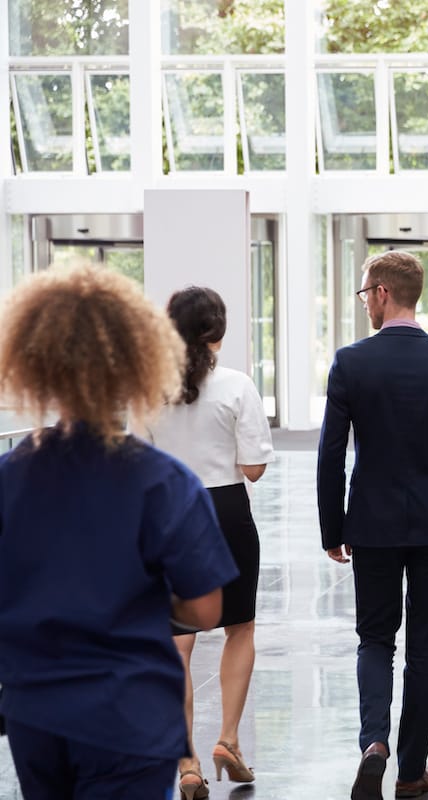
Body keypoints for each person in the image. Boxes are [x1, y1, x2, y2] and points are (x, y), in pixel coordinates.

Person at [0, 265, 236, 800]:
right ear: (138, 360)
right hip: (128, 712)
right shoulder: (164, 482)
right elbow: (205, 610)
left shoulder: (9, 476)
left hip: (34, 711)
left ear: (35, 362)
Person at [318, 251, 428, 800]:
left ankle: (374, 744)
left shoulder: (350, 362)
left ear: (384, 293)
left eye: (366, 292)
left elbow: (330, 456)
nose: (365, 301)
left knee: (374, 638)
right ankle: (412, 771)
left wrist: (331, 527)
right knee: (421, 650)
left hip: (370, 522)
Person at [144, 286, 274, 798]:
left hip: (169, 514)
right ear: (218, 331)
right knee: (239, 627)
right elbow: (254, 469)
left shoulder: (147, 386)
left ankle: (188, 763)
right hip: (225, 512)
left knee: (178, 642)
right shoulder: (238, 385)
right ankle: (228, 740)